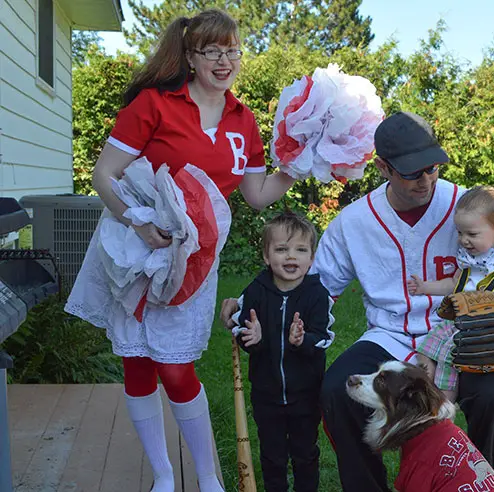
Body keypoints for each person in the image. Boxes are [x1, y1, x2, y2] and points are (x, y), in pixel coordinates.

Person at [222, 111, 494, 491]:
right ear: (382, 167)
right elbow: (313, 288)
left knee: (493, 395)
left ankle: (483, 487)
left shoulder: (467, 207)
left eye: (432, 167)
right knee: (335, 391)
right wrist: (251, 301)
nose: (426, 179)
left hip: (458, 337)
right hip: (390, 336)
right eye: (412, 171)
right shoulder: (354, 221)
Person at [65, 10, 295, 492]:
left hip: (193, 260)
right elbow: (103, 175)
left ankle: (208, 477)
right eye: (213, 51)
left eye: (232, 50)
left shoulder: (243, 119)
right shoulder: (153, 104)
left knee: (175, 367)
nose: (225, 60)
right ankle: (165, 476)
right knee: (138, 364)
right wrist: (138, 222)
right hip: (136, 249)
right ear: (190, 56)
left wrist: (298, 167)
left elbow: (255, 195)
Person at [408, 185, 494, 402]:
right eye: (460, 233)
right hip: (463, 321)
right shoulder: (469, 256)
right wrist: (426, 287)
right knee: (426, 348)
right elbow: (455, 283)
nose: (463, 240)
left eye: (471, 234)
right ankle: (426, 390)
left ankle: (443, 407)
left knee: (448, 356)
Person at [233, 211, 334, 492]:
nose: (291, 257)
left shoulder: (317, 295)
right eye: (281, 249)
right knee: (272, 455)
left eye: (300, 250)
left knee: (304, 453)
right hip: (266, 393)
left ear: (311, 258)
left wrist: (302, 341)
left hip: (306, 393)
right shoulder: (256, 291)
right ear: (267, 256)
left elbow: (322, 337)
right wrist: (252, 339)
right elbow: (243, 332)